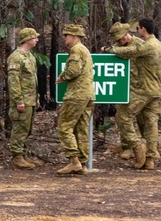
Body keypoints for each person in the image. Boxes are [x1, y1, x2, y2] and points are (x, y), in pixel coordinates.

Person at [105, 19, 161, 170]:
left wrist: (109, 50)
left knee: (122, 117)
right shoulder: (156, 44)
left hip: (143, 90)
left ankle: (138, 147)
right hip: (154, 90)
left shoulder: (147, 45)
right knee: (151, 124)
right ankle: (150, 160)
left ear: (142, 29)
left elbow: (131, 52)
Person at [55, 23, 94, 176]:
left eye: (66, 35)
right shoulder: (85, 50)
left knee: (64, 126)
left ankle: (74, 161)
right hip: (88, 94)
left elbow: (73, 71)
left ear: (74, 36)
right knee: (81, 128)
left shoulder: (76, 50)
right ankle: (82, 164)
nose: (65, 38)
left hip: (77, 95)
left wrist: (62, 76)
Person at [7, 27, 40, 169]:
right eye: (34, 38)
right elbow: (13, 81)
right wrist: (18, 100)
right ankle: (17, 157)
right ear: (27, 40)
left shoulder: (30, 56)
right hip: (22, 100)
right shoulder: (16, 57)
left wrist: (36, 98)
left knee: (27, 129)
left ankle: (23, 155)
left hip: (30, 99)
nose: (37, 40)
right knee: (20, 129)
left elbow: (33, 79)